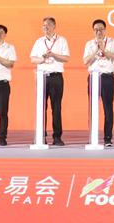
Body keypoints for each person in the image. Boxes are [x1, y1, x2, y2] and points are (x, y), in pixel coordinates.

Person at [30, 17, 71, 146]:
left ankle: (57, 137)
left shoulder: (62, 40)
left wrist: (53, 55)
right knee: (41, 107)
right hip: (42, 76)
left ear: (54, 26)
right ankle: (41, 136)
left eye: (48, 25)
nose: (45, 27)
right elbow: (33, 59)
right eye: (43, 25)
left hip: (56, 77)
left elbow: (66, 58)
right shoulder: (39, 41)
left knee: (56, 107)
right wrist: (41, 59)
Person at [83, 19, 114, 147]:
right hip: (93, 77)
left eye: (101, 29)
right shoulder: (89, 44)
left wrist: (104, 50)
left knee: (108, 108)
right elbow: (86, 61)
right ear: (93, 31)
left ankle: (107, 138)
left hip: (107, 77)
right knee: (93, 108)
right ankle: (92, 137)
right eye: (96, 30)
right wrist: (96, 51)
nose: (98, 32)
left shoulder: (113, 42)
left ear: (105, 30)